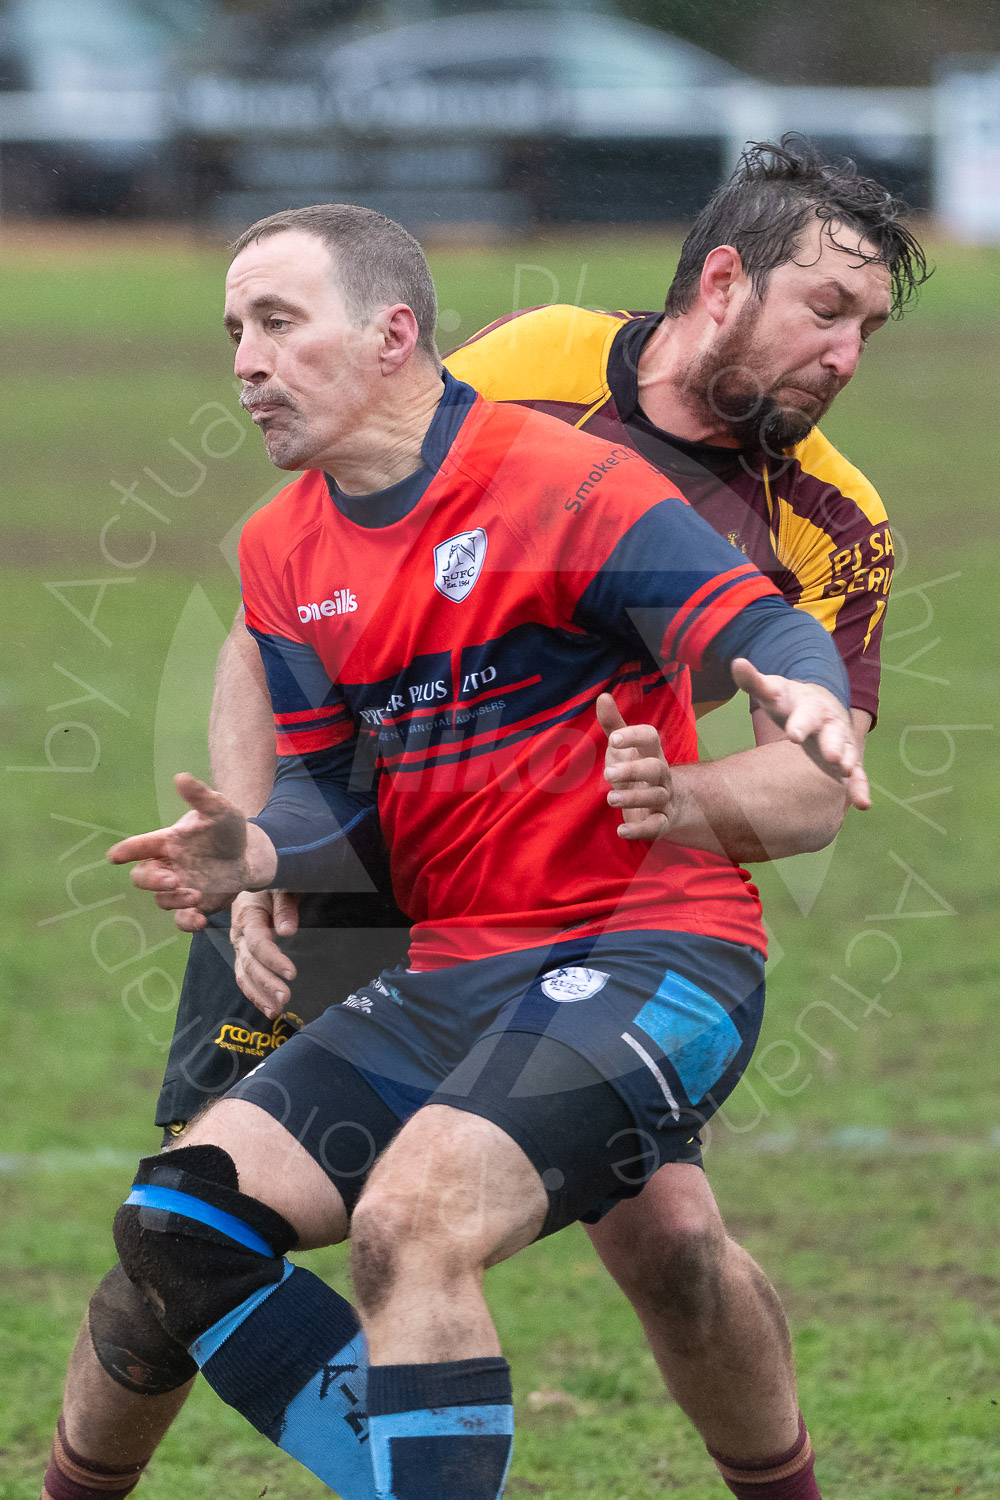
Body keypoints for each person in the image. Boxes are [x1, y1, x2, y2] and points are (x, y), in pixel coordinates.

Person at [40, 142, 926, 1500]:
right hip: (353, 884)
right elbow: (286, 620)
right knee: (179, 1244)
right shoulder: (533, 367)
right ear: (726, 284)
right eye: (827, 312)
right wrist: (260, 853)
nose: (846, 357)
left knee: (657, 1238)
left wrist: (710, 780)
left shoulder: (822, 519)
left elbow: (809, 782)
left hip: (598, 918)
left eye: (868, 329)